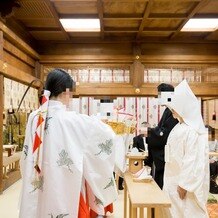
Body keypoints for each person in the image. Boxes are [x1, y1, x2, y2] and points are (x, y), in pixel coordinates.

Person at [19, 69, 118, 218]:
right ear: (66, 92)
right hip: (61, 183)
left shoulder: (34, 117)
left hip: (36, 181)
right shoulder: (72, 120)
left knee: (38, 208)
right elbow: (107, 135)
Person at [163, 80, 209, 218]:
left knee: (188, 212)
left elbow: (192, 160)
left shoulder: (192, 130)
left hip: (184, 185)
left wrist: (184, 184)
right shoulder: (180, 126)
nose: (172, 109)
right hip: (172, 177)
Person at [144, 83, 178, 189]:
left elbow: (165, 133)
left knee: (163, 185)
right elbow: (161, 130)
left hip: (168, 154)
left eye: (159, 95)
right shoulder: (168, 109)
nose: (158, 98)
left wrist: (149, 132)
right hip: (163, 153)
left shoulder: (173, 110)